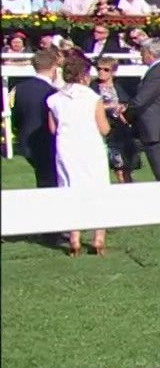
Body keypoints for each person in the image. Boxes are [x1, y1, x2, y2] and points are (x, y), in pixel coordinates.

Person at [46, 50, 112, 256]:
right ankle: (98, 238)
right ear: (84, 75)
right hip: (90, 147)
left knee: (69, 187)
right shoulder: (93, 98)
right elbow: (104, 129)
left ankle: (74, 238)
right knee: (98, 188)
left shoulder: (54, 99)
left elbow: (52, 129)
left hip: (67, 147)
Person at [8, 46, 60, 188]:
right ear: (54, 67)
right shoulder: (52, 92)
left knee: (43, 178)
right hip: (48, 142)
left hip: (26, 141)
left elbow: (15, 116)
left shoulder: (20, 88)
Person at [127, 39, 160, 181]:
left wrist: (125, 114)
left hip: (155, 130)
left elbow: (140, 101)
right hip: (156, 129)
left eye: (143, 52)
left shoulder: (158, 74)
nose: (141, 55)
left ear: (150, 53)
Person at [94, 56, 141, 183]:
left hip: (121, 130)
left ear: (113, 71)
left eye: (106, 69)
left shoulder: (121, 86)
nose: (101, 72)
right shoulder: (93, 87)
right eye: (99, 69)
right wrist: (109, 106)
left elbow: (130, 104)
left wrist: (124, 109)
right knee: (117, 167)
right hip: (103, 129)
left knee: (125, 168)